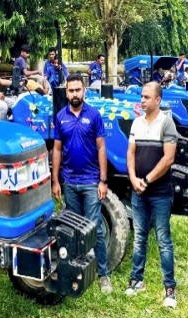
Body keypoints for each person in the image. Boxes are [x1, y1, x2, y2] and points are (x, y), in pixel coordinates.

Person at [51, 74, 111, 293]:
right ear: (66, 92)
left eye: (78, 90)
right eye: (71, 90)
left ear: (84, 90)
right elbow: (57, 149)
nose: (74, 94)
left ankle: (103, 274)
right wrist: (55, 180)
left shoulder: (94, 115)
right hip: (70, 182)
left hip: (90, 181)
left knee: (95, 229)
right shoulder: (60, 117)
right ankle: (79, 270)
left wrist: (103, 180)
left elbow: (102, 148)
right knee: (74, 229)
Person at [125, 82, 178, 308]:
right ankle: (136, 280)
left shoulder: (167, 123)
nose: (142, 100)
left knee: (163, 240)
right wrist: (134, 179)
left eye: (147, 97)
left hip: (160, 193)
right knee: (139, 237)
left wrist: (146, 181)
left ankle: (169, 288)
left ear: (158, 100)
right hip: (139, 192)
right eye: (141, 96)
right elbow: (130, 153)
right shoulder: (137, 122)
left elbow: (169, 158)